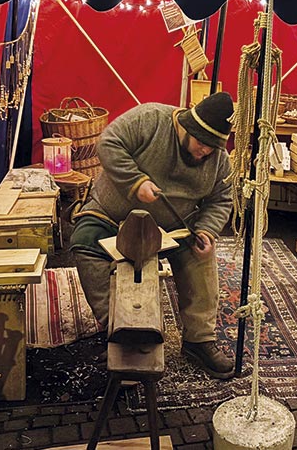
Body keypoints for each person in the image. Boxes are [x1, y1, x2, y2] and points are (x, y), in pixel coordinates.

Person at [70, 92, 235, 379]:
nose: (205, 151)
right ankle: (119, 331)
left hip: (173, 226)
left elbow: (221, 199)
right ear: (188, 128)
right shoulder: (150, 119)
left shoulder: (218, 158)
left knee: (201, 255)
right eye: (201, 143)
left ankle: (199, 339)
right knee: (84, 243)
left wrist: (208, 229)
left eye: (213, 147)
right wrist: (135, 181)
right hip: (113, 215)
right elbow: (108, 142)